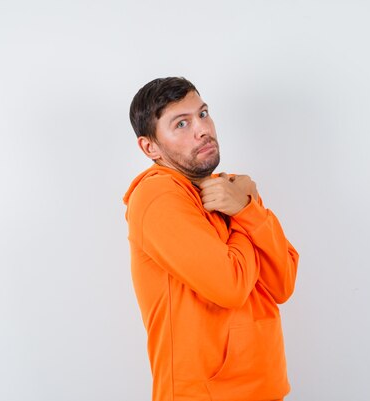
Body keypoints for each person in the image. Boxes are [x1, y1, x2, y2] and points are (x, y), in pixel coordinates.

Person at [122, 77, 299, 401]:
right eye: (181, 123)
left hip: (265, 388)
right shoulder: (157, 195)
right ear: (150, 147)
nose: (202, 129)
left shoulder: (226, 190)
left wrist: (247, 209)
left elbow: (283, 283)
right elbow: (230, 286)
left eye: (203, 114)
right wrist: (242, 210)